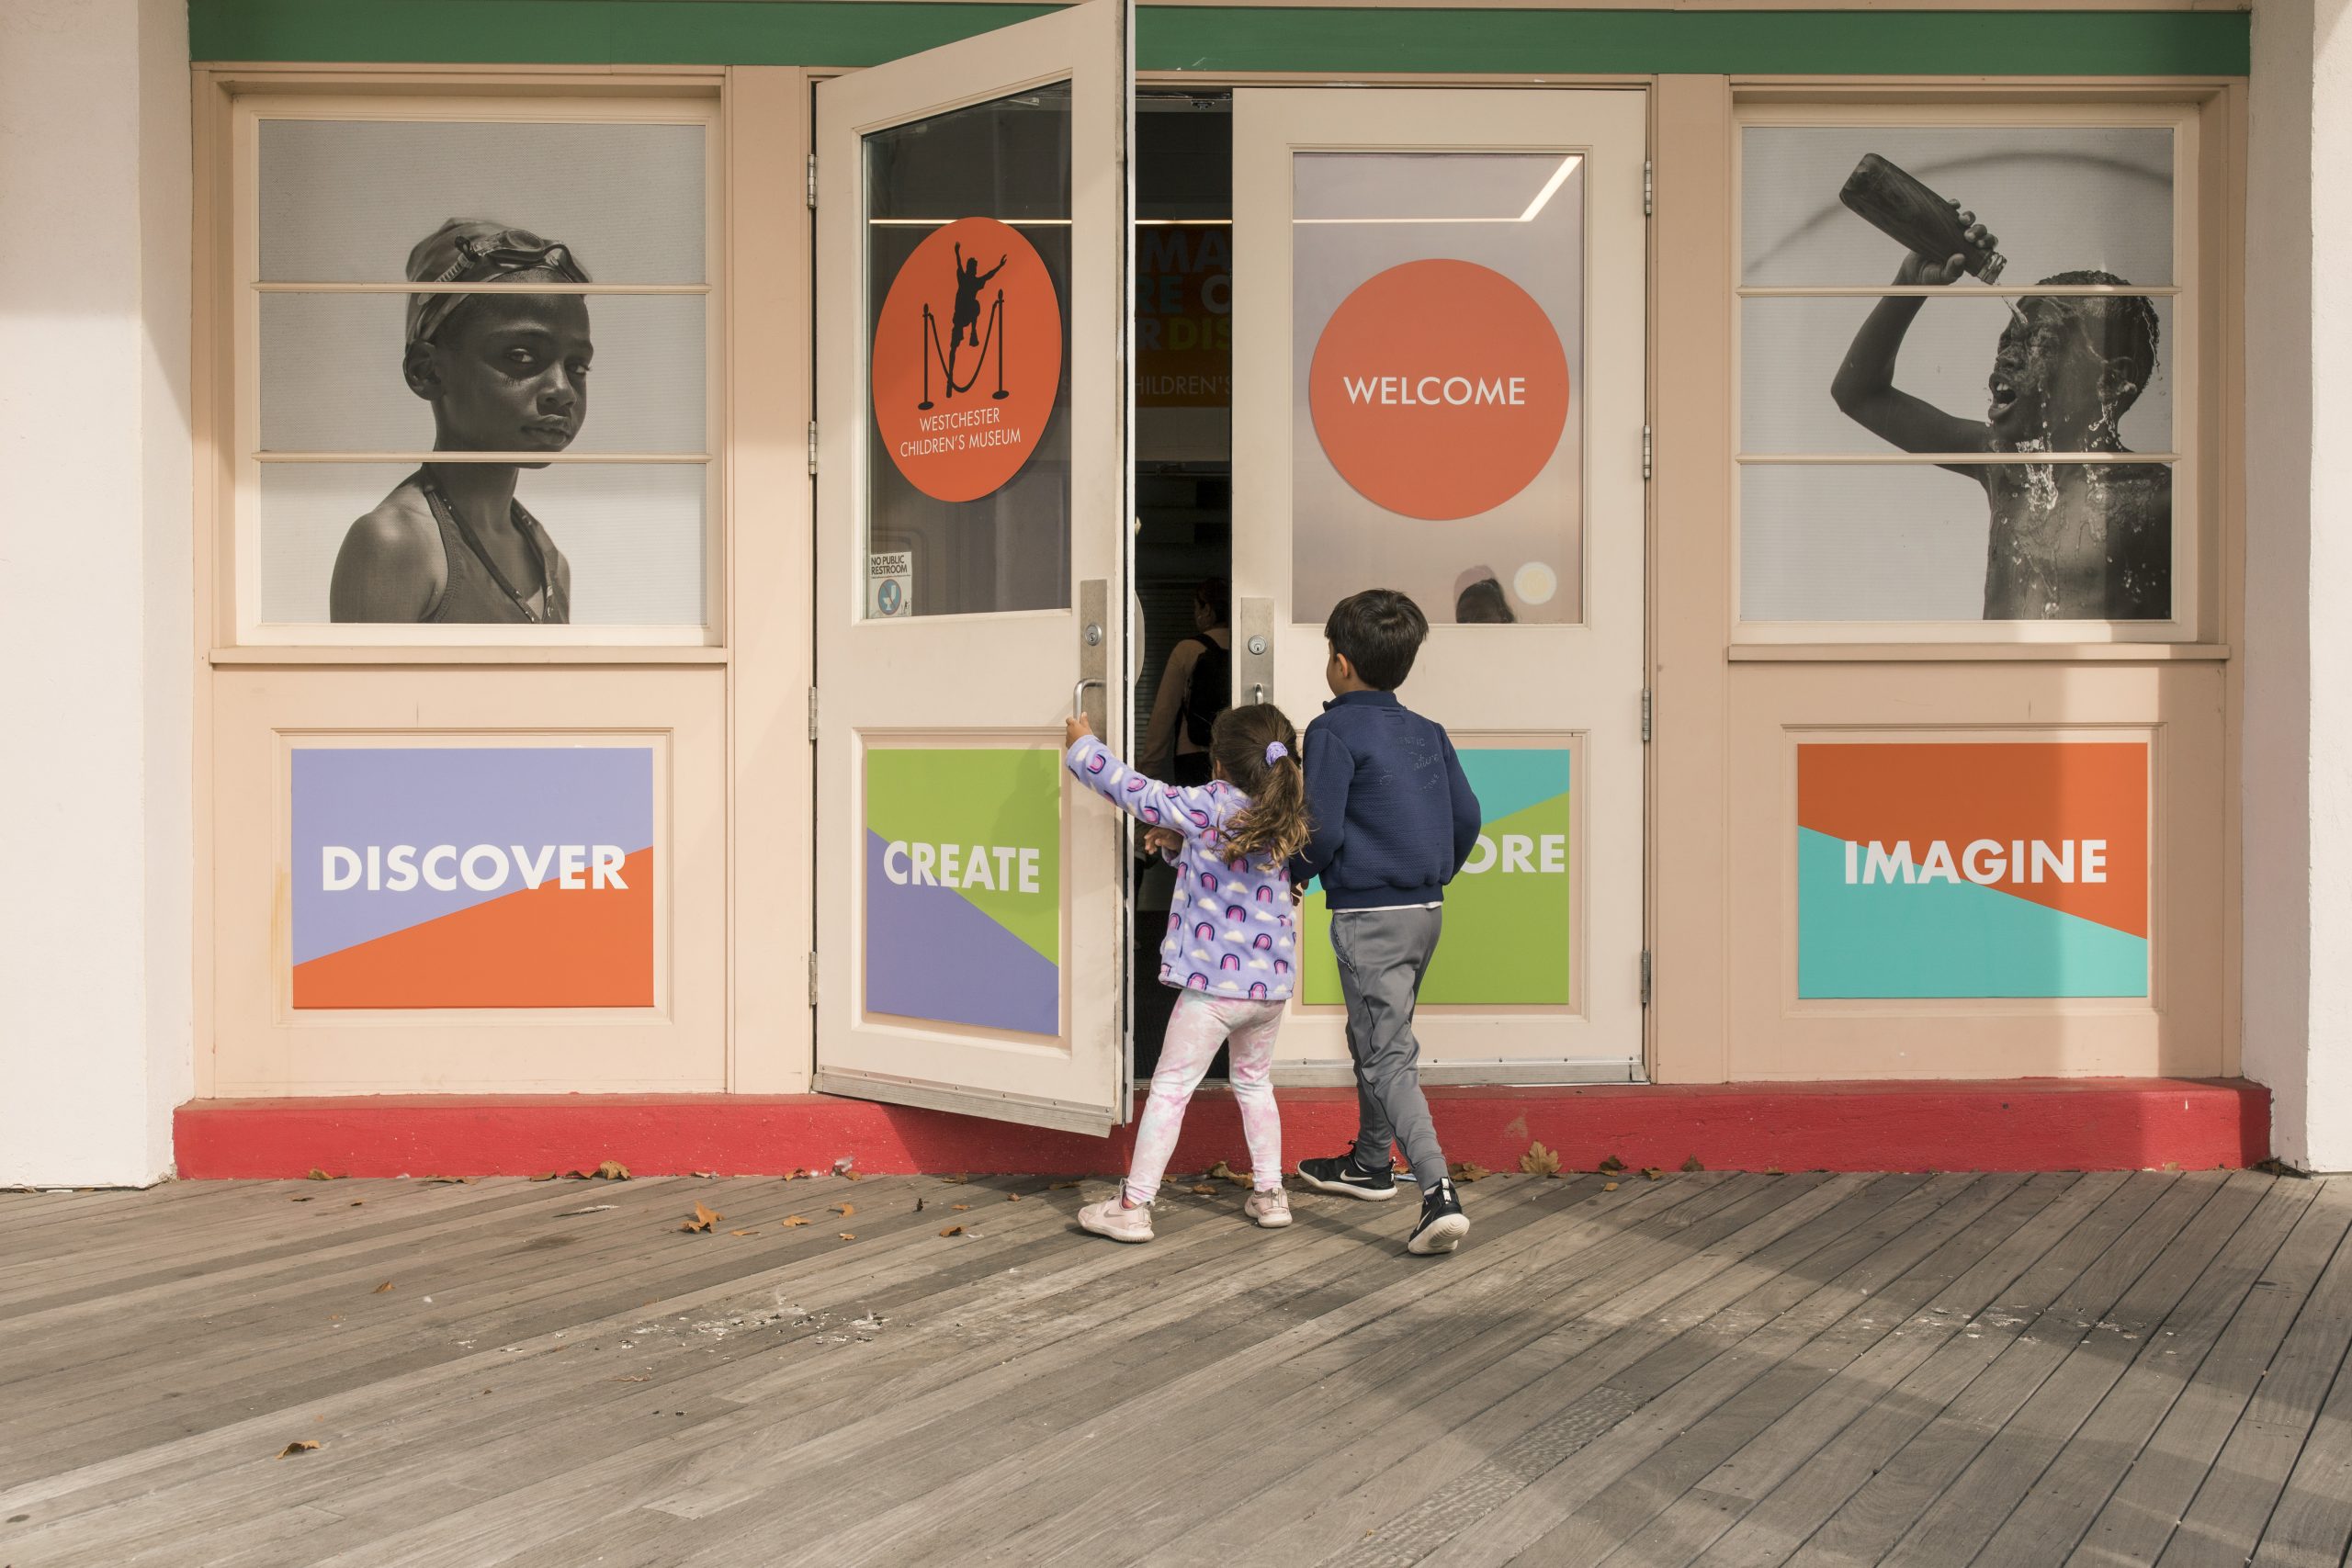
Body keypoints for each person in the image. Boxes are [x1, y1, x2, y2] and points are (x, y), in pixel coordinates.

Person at [1829, 203, 2169, 621]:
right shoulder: (2007, 466)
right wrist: (1910, 283)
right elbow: (1857, 393)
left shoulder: (2162, 498)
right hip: (1994, 687)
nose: (2007, 358)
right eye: (2007, 340)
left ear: (2111, 381)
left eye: (2036, 342)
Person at [1064, 703, 1312, 1244]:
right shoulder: (1282, 813)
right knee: (1254, 1084)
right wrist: (1182, 848)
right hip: (1268, 990)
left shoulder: (1208, 804)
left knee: (1171, 1088)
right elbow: (1237, 874)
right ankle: (1270, 1194)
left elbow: (1135, 792)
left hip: (1213, 993)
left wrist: (1084, 745)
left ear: (1217, 764)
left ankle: (1133, 1206)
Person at [1290, 589, 1481, 1256]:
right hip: (1425, 910)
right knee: (1374, 1032)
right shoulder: (1427, 730)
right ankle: (1372, 1162)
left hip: (1368, 914)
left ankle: (1437, 1193)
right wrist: (1434, 870)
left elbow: (1321, 826)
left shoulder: (1332, 731)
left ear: (1341, 664)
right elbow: (1467, 818)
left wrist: (1293, 872)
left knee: (1387, 1052)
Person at [330, 219, 589, 624]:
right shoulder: (397, 544)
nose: (563, 389)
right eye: (520, 356)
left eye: (577, 366)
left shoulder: (548, 557)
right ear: (427, 372)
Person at [1138, 578, 1234, 785]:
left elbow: (1163, 713)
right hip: (1235, 758)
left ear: (1207, 609)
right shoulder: (1242, 650)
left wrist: (1148, 769)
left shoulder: (1187, 649)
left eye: (1195, 607)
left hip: (1193, 757)